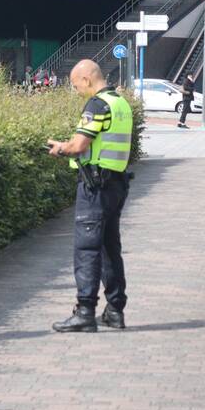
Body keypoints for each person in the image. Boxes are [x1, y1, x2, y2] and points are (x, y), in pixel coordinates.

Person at [47, 60, 133, 333]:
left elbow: (79, 145)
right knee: (110, 248)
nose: (77, 91)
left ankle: (85, 311)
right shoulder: (121, 104)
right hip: (116, 184)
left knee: (87, 248)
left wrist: (61, 148)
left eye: (75, 85)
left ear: (86, 79)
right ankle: (115, 310)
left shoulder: (97, 105)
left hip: (94, 186)